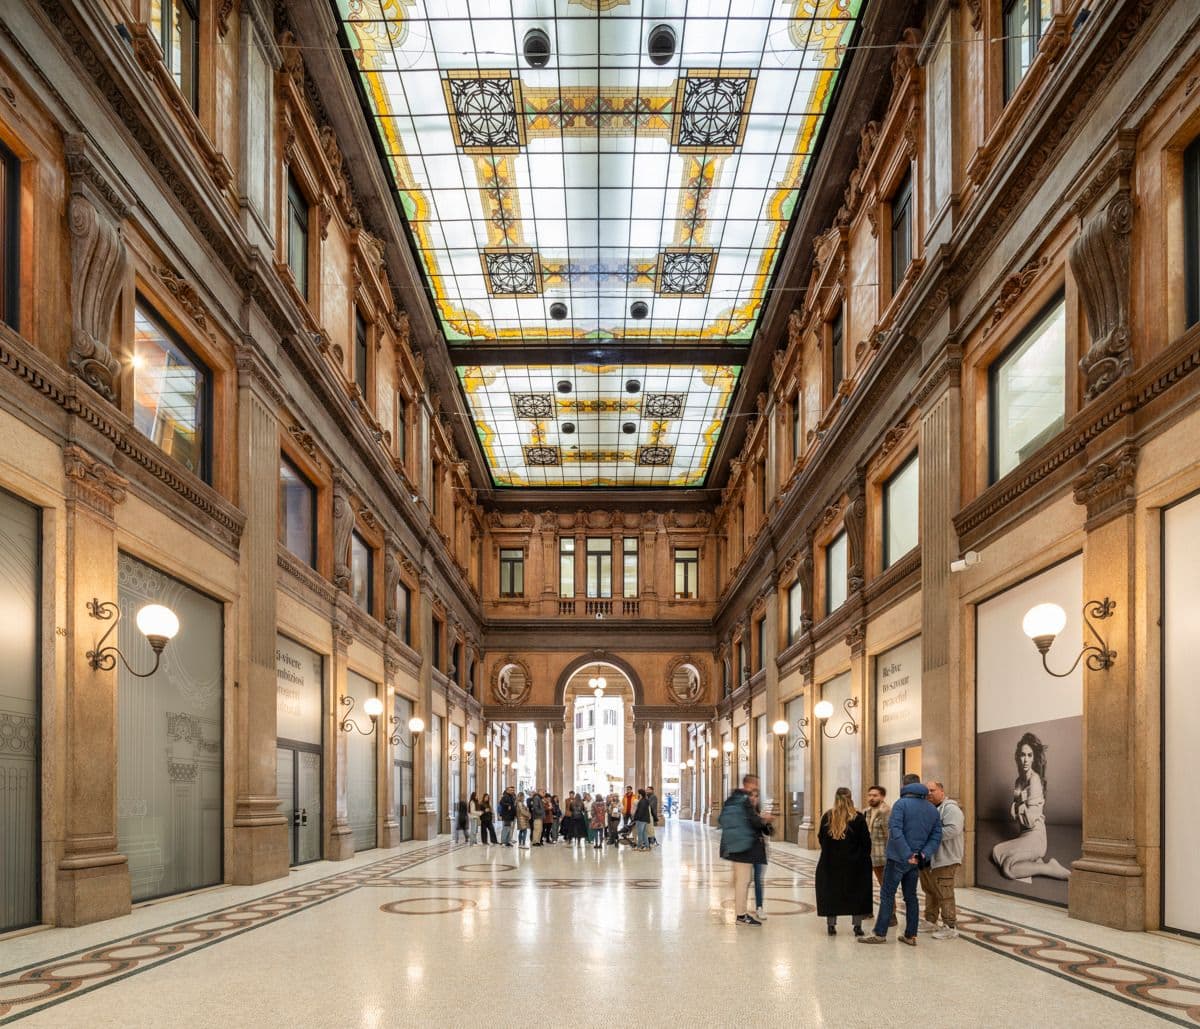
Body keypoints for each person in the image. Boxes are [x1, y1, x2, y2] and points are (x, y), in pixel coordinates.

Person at [859, 774, 942, 947]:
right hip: (917, 860)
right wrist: (921, 855)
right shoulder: (932, 808)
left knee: (887, 894)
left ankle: (880, 933)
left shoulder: (900, 804)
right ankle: (911, 935)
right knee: (911, 896)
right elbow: (936, 836)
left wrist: (907, 854)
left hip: (898, 858)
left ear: (904, 785)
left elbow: (895, 831)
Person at [990, 732, 1072, 882]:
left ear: (1034, 758)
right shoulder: (1018, 781)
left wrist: (1019, 806)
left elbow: (1029, 822)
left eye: (1029, 755)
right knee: (996, 852)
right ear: (1018, 757)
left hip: (1036, 837)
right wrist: (1018, 806)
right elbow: (1016, 814)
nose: (1025, 760)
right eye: (1022, 755)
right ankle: (1032, 862)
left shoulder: (1035, 781)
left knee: (1008, 867)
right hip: (1024, 836)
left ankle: (1048, 867)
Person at [815, 787, 873, 936]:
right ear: (850, 798)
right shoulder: (858, 818)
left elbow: (821, 838)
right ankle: (857, 926)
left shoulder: (828, 816)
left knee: (831, 892)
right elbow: (866, 842)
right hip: (855, 864)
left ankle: (831, 925)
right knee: (857, 893)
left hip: (830, 862)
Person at [719, 774, 773, 925]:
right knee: (743, 881)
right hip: (745, 846)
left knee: (741, 880)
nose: (756, 789)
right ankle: (741, 916)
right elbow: (755, 823)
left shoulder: (731, 799)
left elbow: (721, 820)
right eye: (755, 786)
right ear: (750, 785)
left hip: (734, 845)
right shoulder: (745, 800)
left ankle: (741, 913)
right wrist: (765, 820)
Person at [921, 780, 964, 940]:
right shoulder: (930, 809)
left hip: (945, 859)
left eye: (932, 790)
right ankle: (930, 920)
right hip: (929, 859)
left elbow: (953, 829)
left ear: (941, 791)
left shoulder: (951, 809)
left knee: (944, 893)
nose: (929, 794)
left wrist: (930, 835)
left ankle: (950, 926)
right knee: (930, 891)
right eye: (927, 791)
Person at [865, 785, 895, 927]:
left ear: (882, 797)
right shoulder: (867, 812)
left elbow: (890, 836)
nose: (871, 798)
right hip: (868, 854)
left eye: (875, 795)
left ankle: (891, 914)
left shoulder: (886, 812)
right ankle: (867, 910)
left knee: (885, 885)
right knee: (865, 884)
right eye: (870, 795)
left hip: (882, 855)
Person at [748, 783, 774, 921]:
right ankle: (741, 905)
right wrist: (761, 820)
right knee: (745, 879)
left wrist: (767, 822)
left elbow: (769, 832)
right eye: (751, 795)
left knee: (758, 879)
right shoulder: (745, 813)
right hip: (745, 851)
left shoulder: (759, 813)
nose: (754, 798)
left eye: (756, 796)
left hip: (759, 850)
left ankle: (759, 907)